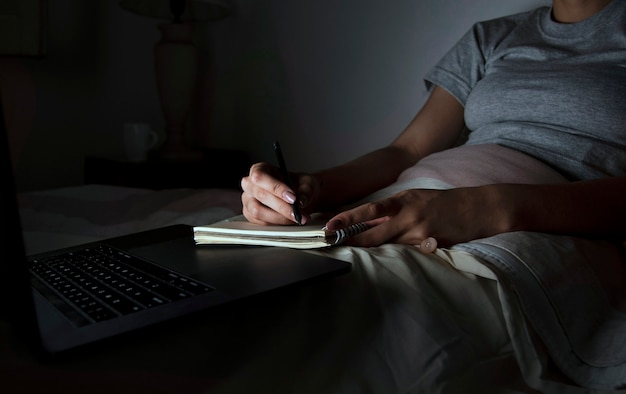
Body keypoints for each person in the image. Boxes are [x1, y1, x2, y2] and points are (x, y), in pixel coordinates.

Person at [241, 0, 626, 252]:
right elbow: (406, 151)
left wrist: (490, 207)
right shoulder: (492, 37)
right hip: (413, 201)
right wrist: (313, 189)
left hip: (518, 230)